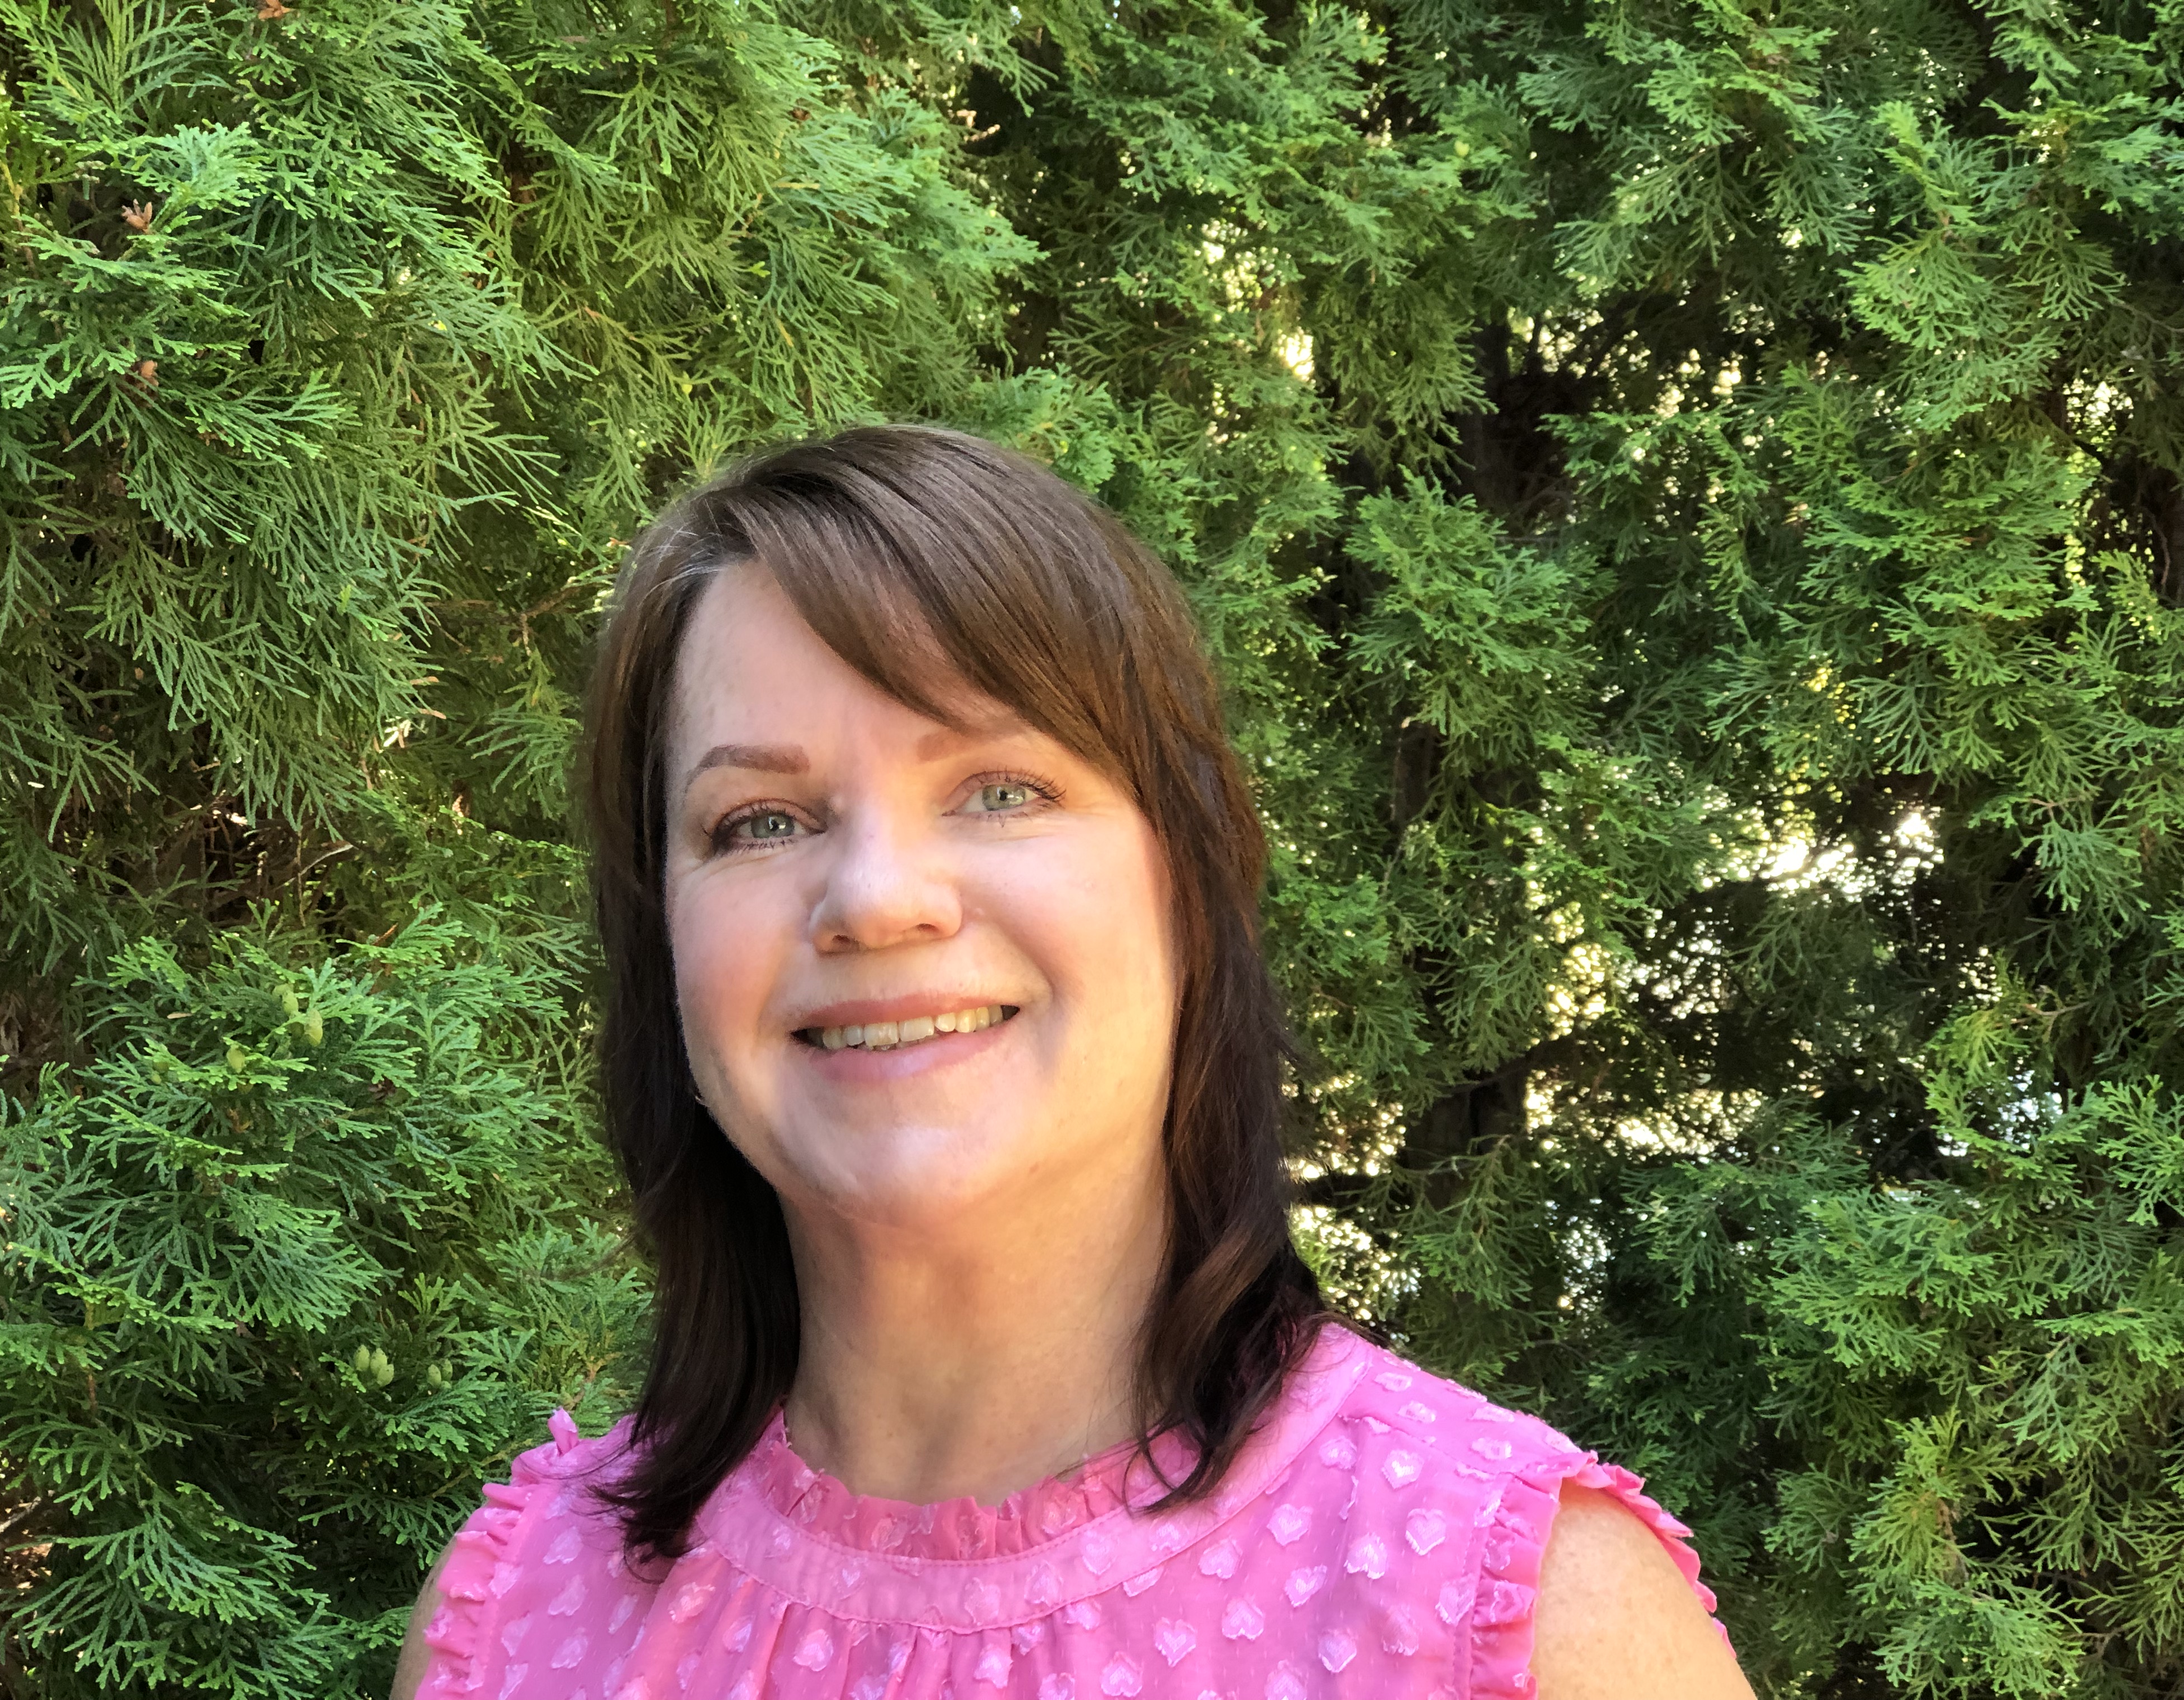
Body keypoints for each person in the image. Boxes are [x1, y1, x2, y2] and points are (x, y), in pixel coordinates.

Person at [390, 426, 1754, 1700]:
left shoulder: (1521, 1620)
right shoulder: (520, 1610)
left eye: (999, 789)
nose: (875, 898)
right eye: (757, 822)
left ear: (1185, 880)